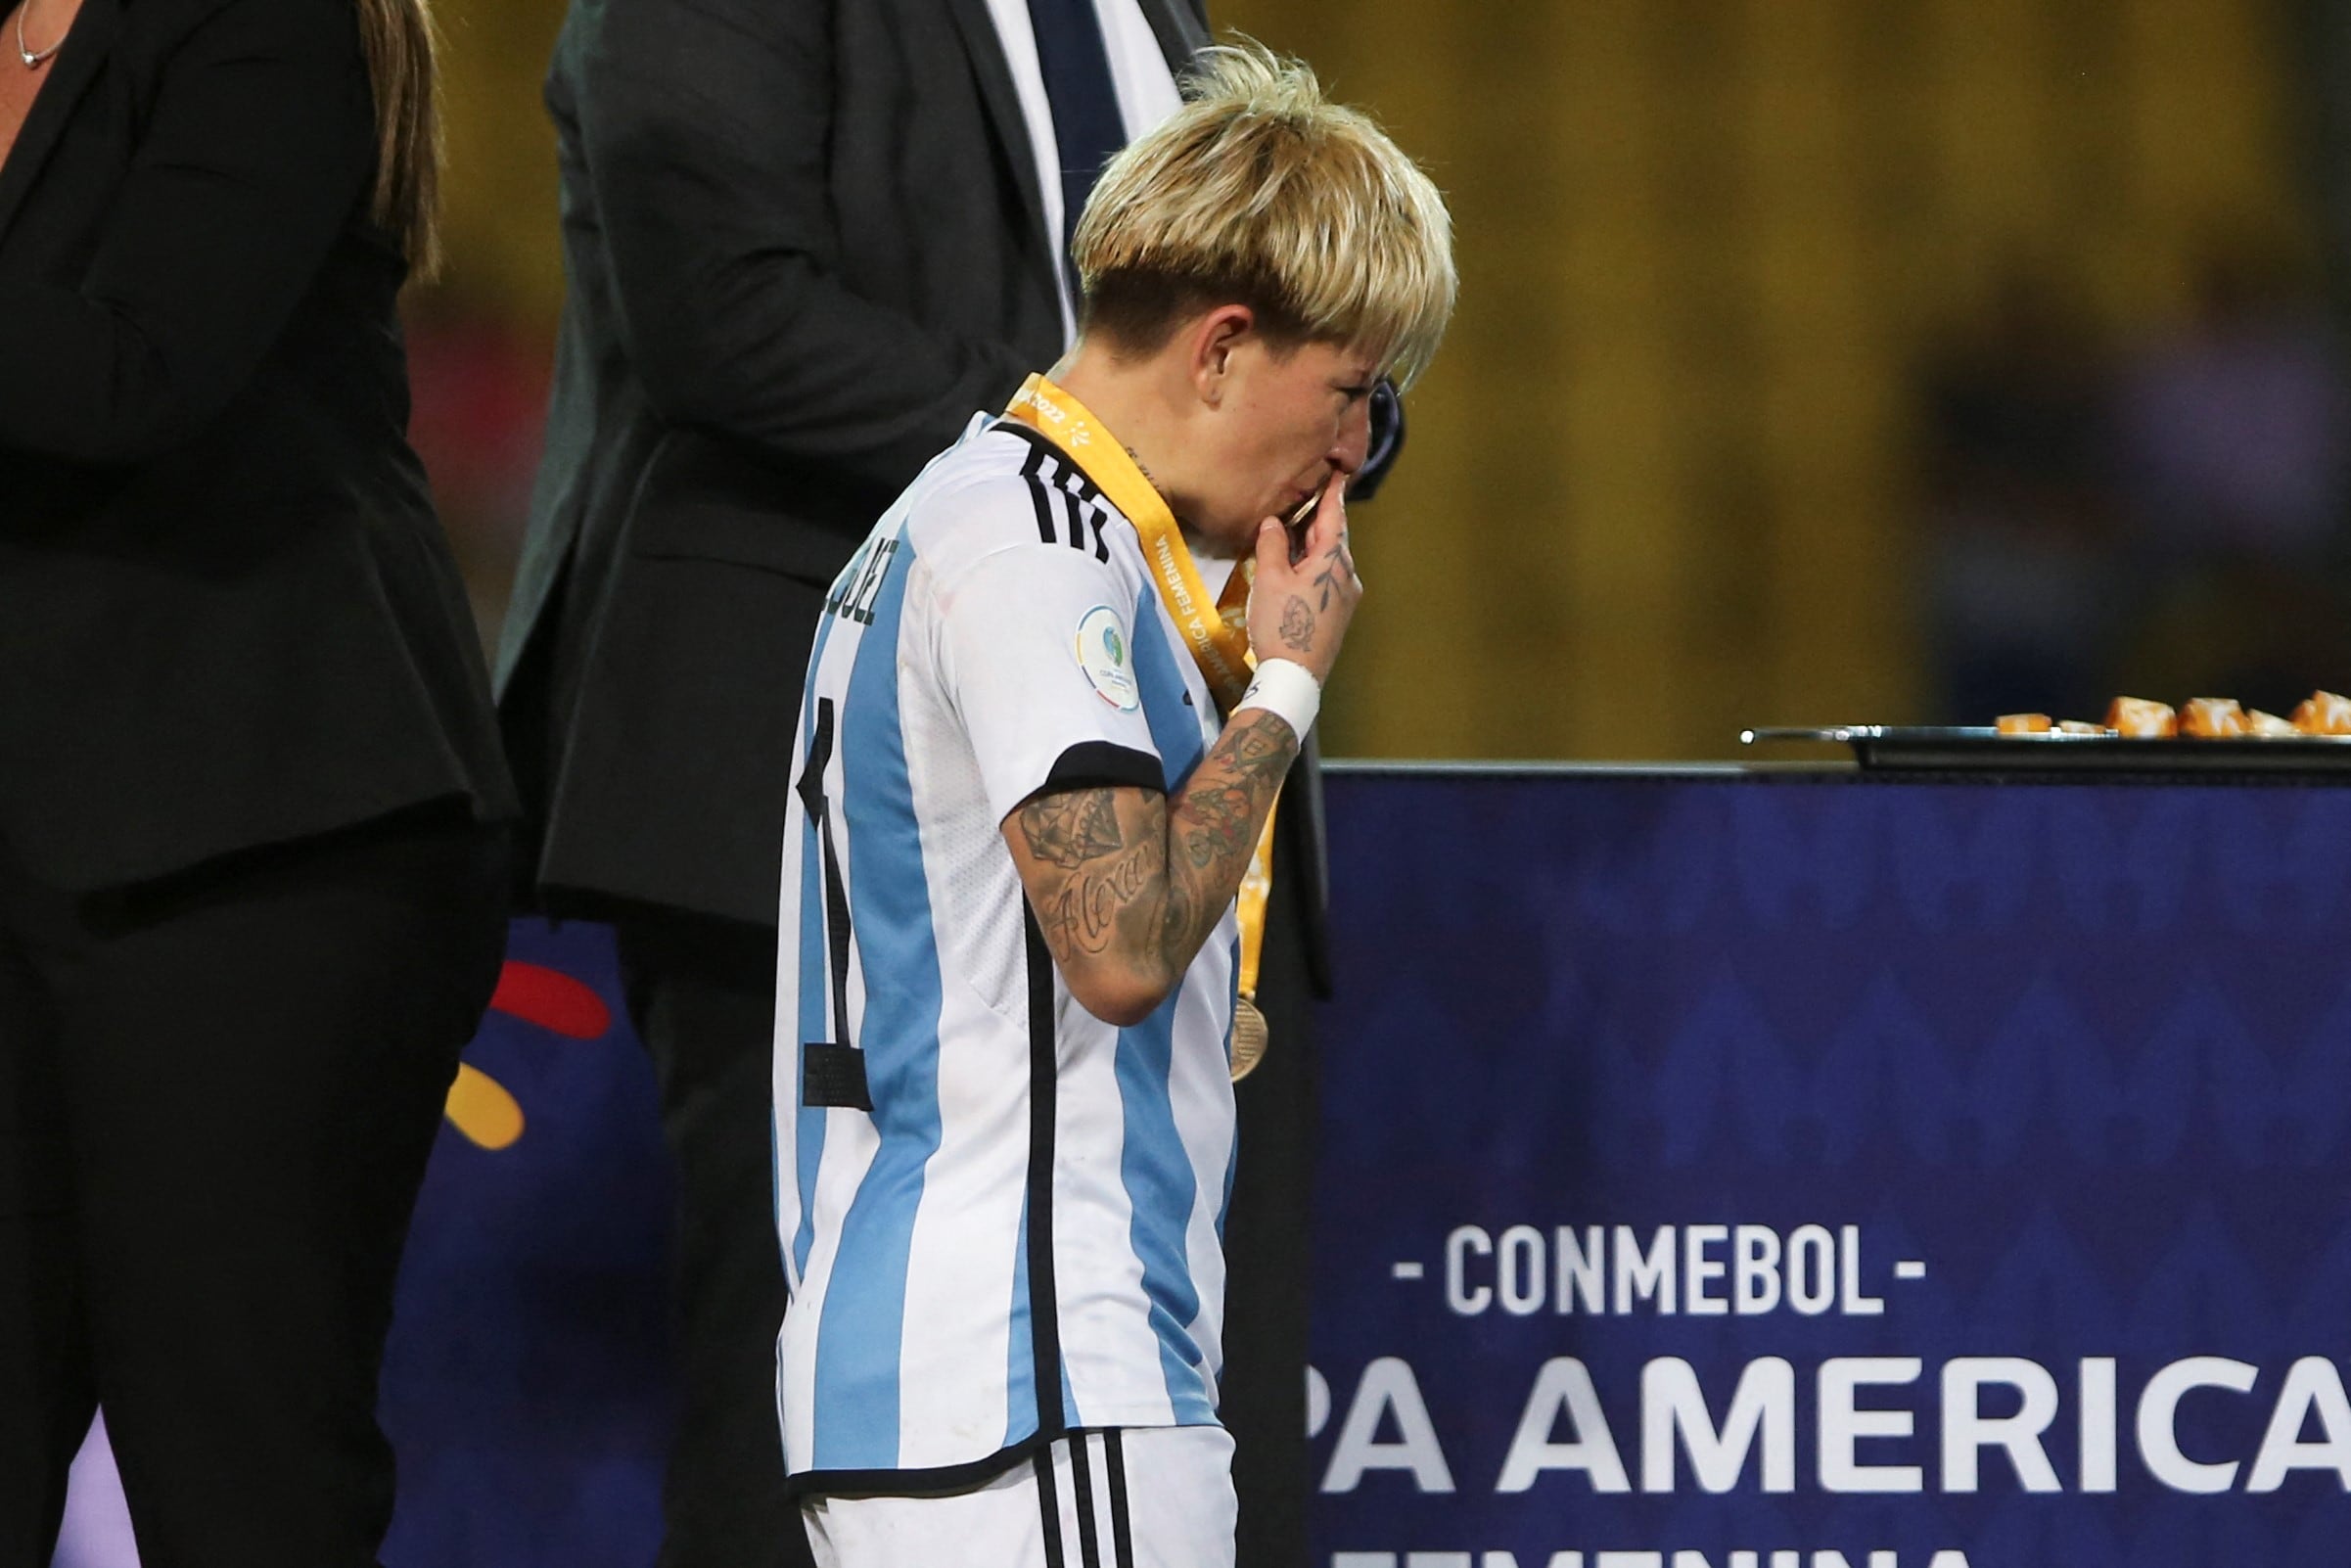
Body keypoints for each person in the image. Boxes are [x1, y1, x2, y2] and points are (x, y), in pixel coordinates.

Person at [496, 1, 1350, 1560]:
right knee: (801, 1447)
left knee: (1208, 1406)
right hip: (811, 804)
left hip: (1189, 776)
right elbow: (727, 311)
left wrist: (1309, 405)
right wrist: (1109, 453)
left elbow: (1271, 323)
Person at [774, 44, 1454, 1566]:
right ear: (1218, 351)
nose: (1354, 451)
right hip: (1037, 1386)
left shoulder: (970, 515)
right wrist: (1281, 689)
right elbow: (1122, 945)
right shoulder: (1038, 555)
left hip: (952, 1393)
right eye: (1347, 390)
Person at [0, 0, 516, 1562]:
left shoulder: (261, 19)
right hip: (28, 823)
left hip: (253, 836)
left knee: (235, 1472)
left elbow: (128, 374)